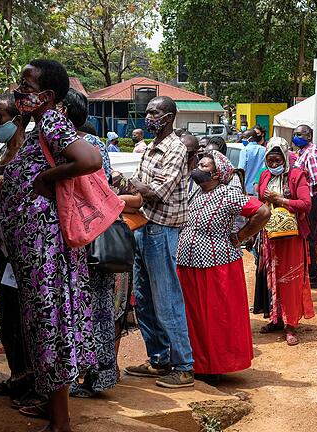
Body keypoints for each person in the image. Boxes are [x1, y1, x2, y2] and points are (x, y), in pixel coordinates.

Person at [0, 59, 103, 432]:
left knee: (49, 325)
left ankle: (60, 423)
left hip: (46, 251)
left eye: (26, 83)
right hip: (34, 249)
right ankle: (57, 417)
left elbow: (88, 159)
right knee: (45, 326)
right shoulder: (37, 125)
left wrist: (46, 177)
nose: (20, 89)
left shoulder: (54, 120)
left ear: (47, 95)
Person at [177, 150, 270, 385]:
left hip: (216, 265)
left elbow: (262, 211)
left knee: (214, 317)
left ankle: (213, 366)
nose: (199, 167)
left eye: (205, 165)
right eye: (199, 164)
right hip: (188, 262)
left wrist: (240, 237)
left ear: (217, 173)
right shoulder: (195, 192)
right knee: (193, 316)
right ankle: (195, 362)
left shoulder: (228, 194)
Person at [125, 96, 195, 388]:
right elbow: (139, 186)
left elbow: (155, 192)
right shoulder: (151, 148)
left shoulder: (176, 149)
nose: (148, 116)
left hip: (162, 230)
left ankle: (183, 365)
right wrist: (138, 186)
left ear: (168, 117)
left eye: (154, 112)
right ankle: (159, 359)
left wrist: (138, 186)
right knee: (143, 300)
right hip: (142, 227)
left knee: (166, 300)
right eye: (148, 111)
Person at [59, 89, 119, 399]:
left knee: (74, 308)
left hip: (75, 243)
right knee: (101, 308)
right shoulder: (98, 147)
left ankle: (71, 378)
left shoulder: (70, 148)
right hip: (95, 239)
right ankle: (101, 377)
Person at [0, 93, 39, 408]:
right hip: (5, 248)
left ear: (18, 119)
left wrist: (0, 214)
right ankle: (17, 375)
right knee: (7, 313)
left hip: (25, 248)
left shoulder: (30, 153)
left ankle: (32, 381)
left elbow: (31, 202)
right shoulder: (3, 152)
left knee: (24, 316)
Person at [258, 137, 315, 346]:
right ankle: (275, 317)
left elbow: (306, 204)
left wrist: (280, 200)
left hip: (291, 237)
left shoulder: (296, 175)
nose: (273, 165)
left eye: (277, 160)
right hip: (270, 235)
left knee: (290, 279)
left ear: (285, 157)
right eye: (270, 161)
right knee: (271, 277)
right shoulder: (264, 175)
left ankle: (291, 324)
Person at [292, 124, 317, 289]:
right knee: (305, 237)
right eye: (295, 134)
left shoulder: (312, 154)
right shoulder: (302, 153)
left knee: (309, 238)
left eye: (299, 134)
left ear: (308, 136)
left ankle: (312, 277)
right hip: (307, 200)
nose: (296, 137)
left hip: (313, 200)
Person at [238, 129, 267, 195]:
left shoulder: (245, 151)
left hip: (247, 190)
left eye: (244, 138)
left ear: (251, 138)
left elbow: (241, 171)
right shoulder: (264, 150)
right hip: (261, 189)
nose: (242, 140)